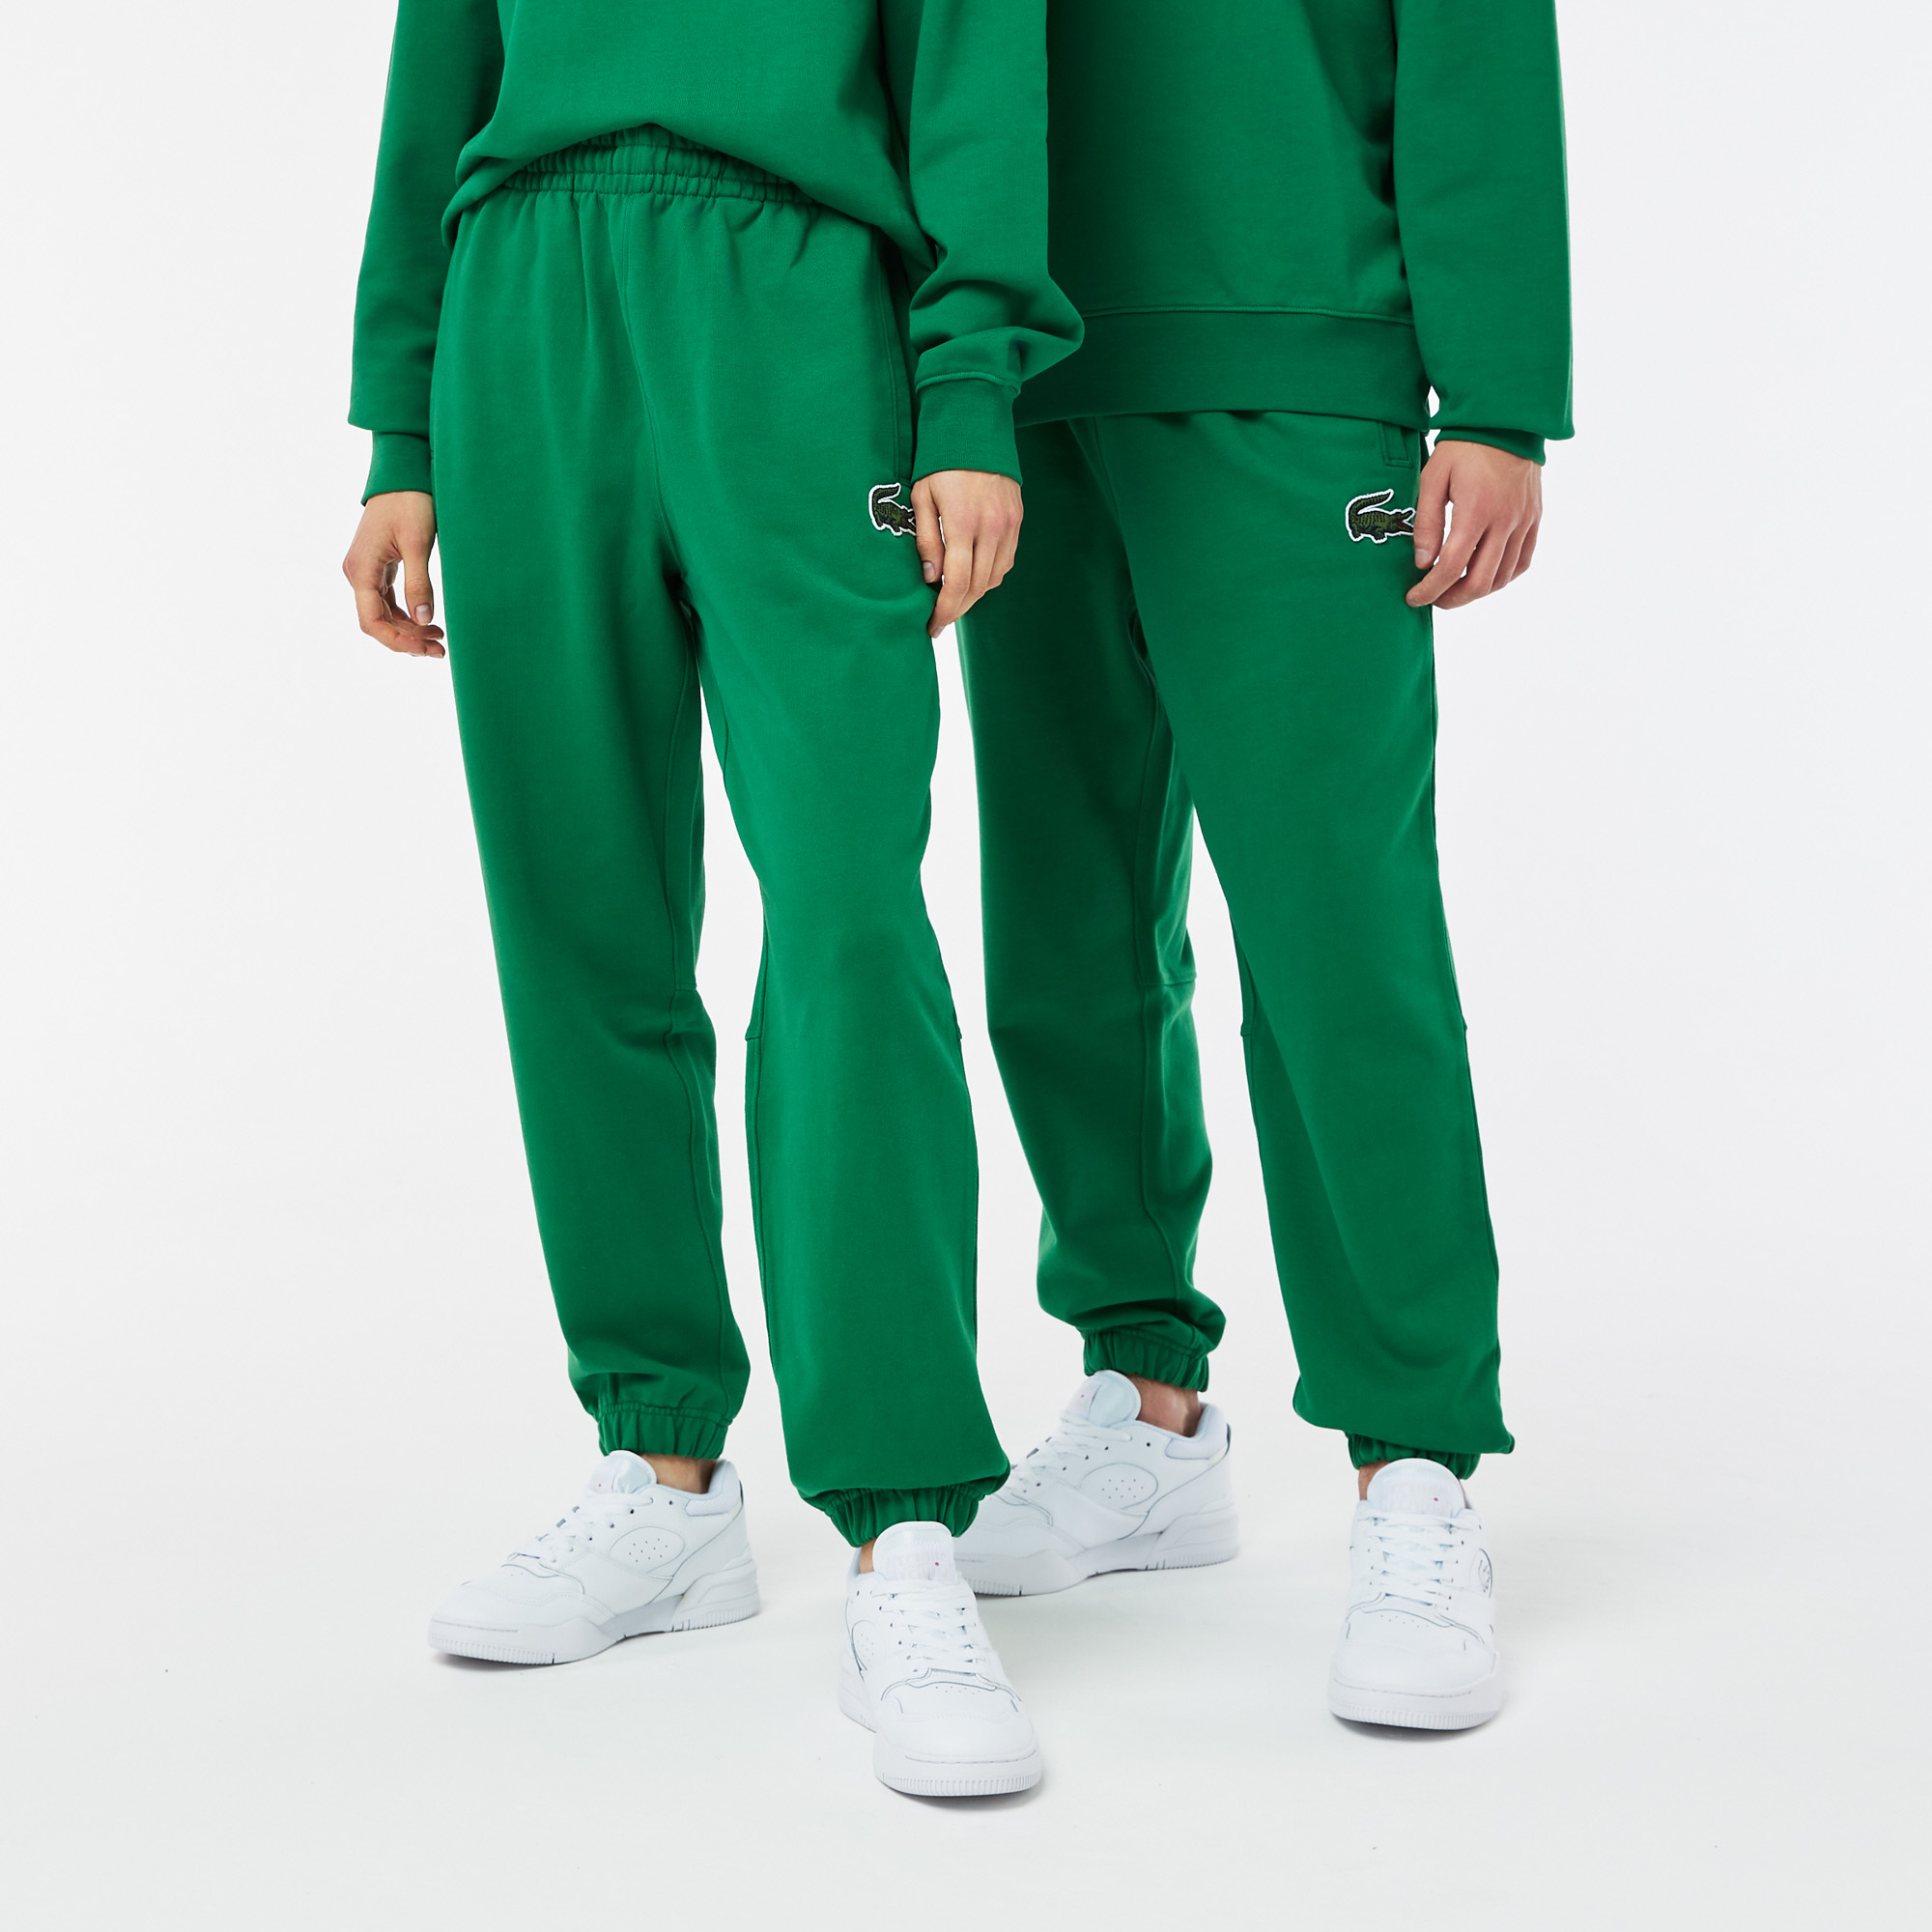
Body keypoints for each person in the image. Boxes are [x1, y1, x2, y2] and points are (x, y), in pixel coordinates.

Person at [340, 0, 1079, 1796]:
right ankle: (661, 1466)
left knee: (846, 916)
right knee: (578, 917)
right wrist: (402, 427)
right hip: (522, 308)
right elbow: (439, 77)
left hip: (797, 305)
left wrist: (968, 390)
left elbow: (975, 82)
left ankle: (902, 1525)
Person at [952, 0, 1573, 1731]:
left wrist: (1500, 396)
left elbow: (1476, 45)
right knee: (1064, 935)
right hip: (1010, 386)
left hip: (1297, 353)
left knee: (1333, 937)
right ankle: (1145, 1404)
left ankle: (1415, 1460)